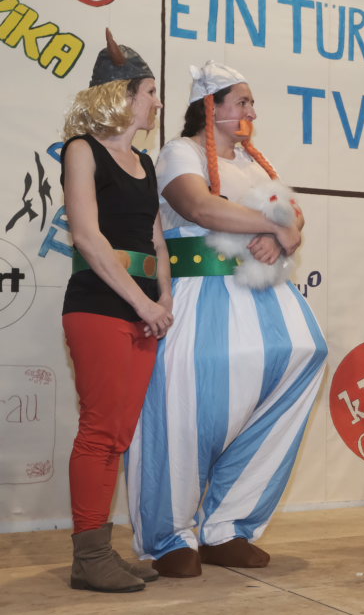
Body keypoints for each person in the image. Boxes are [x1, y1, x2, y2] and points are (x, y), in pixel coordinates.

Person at [125, 62, 328, 577]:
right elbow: (199, 206)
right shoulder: (181, 152)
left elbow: (291, 213)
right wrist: (273, 227)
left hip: (262, 297)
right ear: (210, 106)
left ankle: (227, 525)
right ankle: (168, 535)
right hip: (200, 293)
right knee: (187, 405)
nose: (251, 111)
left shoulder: (255, 163)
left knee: (302, 358)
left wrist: (282, 233)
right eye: (242, 101)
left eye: (251, 102)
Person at [60, 30, 173, 592]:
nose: (157, 102)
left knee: (118, 432)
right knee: (101, 431)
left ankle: (98, 551)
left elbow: (156, 242)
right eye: (150, 91)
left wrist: (164, 300)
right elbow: (87, 236)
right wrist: (144, 302)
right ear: (122, 94)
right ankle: (90, 555)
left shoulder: (145, 163)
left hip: (141, 310)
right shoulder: (82, 150)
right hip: (100, 307)